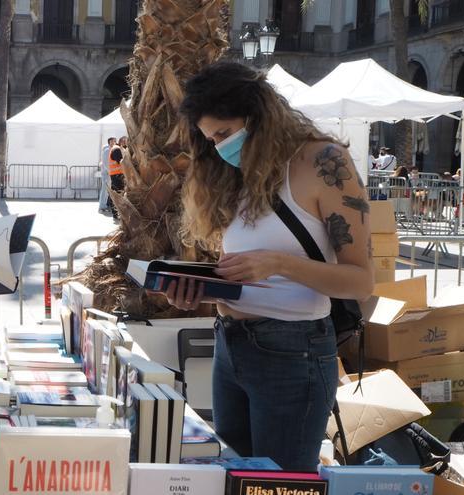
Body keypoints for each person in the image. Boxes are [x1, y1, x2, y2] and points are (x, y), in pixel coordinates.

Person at [168, 62, 373, 471]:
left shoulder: (323, 163)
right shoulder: (232, 175)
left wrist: (280, 264)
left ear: (257, 114)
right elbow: (248, 271)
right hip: (230, 344)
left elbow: (361, 281)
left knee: (278, 483)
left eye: (224, 134)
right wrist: (201, 289)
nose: (219, 148)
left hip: (293, 352)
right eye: (210, 140)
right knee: (237, 477)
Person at [108, 138, 126, 220]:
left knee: (116, 193)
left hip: (116, 175)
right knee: (117, 194)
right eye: (125, 141)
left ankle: (115, 212)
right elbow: (120, 161)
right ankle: (115, 213)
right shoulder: (116, 149)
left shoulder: (115, 148)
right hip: (117, 175)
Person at [99, 137, 116, 213]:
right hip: (107, 174)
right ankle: (102, 206)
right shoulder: (106, 151)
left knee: (107, 191)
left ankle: (105, 205)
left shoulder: (112, 150)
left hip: (110, 173)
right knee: (104, 190)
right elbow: (106, 163)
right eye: (112, 141)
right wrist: (111, 172)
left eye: (114, 141)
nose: (114, 143)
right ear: (109, 142)